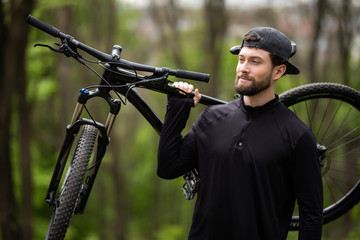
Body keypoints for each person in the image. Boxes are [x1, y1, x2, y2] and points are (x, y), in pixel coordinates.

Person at [157, 27, 323, 240]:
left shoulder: (297, 135)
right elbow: (168, 167)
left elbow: (311, 216)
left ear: (278, 71)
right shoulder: (212, 118)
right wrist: (177, 109)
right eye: (242, 59)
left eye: (255, 62)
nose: (243, 68)